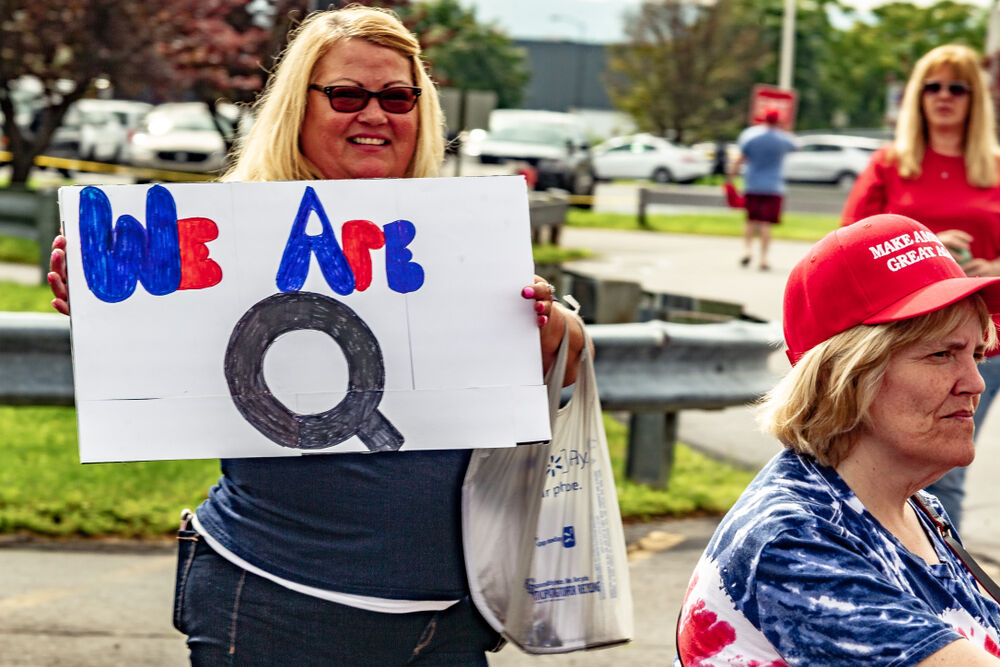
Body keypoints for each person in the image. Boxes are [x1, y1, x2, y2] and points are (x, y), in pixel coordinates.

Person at [47, 6, 587, 665]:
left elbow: (559, 377)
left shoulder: (460, 234)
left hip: (447, 625)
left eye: (396, 96)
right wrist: (106, 308)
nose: (374, 114)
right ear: (298, 107)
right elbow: (166, 361)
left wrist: (553, 325)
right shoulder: (233, 230)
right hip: (272, 607)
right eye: (346, 94)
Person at [677, 214, 1000, 666]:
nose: (974, 383)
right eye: (940, 354)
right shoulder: (793, 543)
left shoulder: (915, 507)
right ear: (841, 377)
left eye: (977, 354)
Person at [841, 44, 1000, 531]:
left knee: (947, 464)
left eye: (958, 86)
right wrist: (927, 250)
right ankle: (893, 567)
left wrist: (990, 263)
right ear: (917, 95)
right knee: (904, 458)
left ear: (977, 97)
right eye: (933, 86)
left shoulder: (995, 167)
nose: (944, 96)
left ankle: (942, 584)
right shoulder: (891, 164)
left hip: (988, 336)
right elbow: (846, 251)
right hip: (909, 339)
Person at [728, 108, 796, 271]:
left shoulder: (751, 136)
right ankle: (764, 259)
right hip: (773, 187)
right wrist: (785, 129)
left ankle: (747, 250)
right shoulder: (782, 139)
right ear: (777, 121)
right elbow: (796, 145)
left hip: (753, 184)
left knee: (750, 220)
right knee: (766, 223)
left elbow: (740, 159)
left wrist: (731, 177)